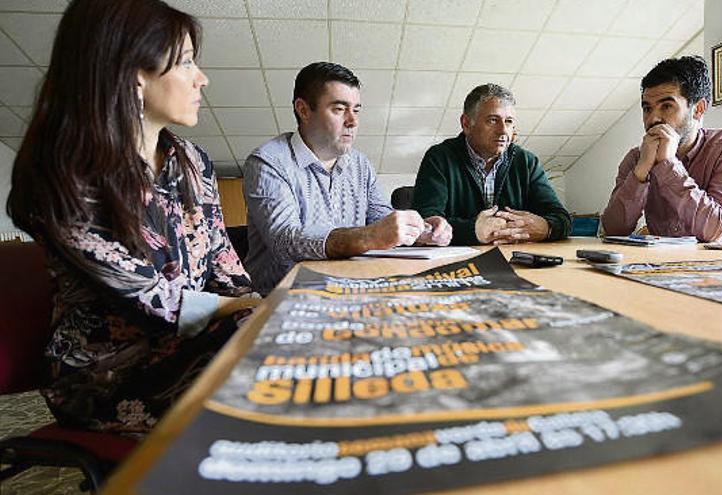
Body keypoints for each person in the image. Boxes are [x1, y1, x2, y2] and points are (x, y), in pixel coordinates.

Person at [6, 0, 260, 435]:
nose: (202, 78)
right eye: (184, 62)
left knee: (286, 349)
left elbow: (226, 268)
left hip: (195, 343)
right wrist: (261, 309)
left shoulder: (191, 160)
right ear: (130, 72)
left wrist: (258, 305)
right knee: (272, 358)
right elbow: (158, 304)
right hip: (109, 377)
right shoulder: (63, 176)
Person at [243, 62, 452, 294]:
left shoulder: (360, 163)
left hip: (352, 289)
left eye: (357, 109)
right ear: (303, 110)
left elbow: (382, 219)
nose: (353, 121)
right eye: (339, 109)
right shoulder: (268, 162)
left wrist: (421, 231)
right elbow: (285, 240)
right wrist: (368, 236)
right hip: (281, 298)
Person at [601, 56, 722, 243]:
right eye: (647, 108)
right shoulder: (636, 158)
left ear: (698, 109)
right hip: (661, 267)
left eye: (666, 106)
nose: (653, 119)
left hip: (720, 267)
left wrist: (668, 165)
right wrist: (639, 174)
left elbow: (718, 232)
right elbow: (612, 231)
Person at [411, 83, 571, 246]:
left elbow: (561, 218)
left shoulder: (526, 162)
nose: (503, 130)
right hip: (458, 263)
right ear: (466, 124)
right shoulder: (440, 158)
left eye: (508, 121)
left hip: (514, 260)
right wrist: (472, 231)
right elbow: (423, 224)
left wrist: (545, 227)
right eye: (493, 120)